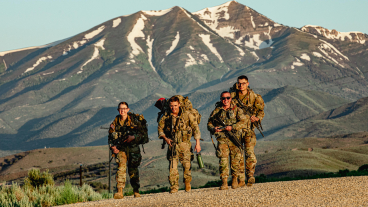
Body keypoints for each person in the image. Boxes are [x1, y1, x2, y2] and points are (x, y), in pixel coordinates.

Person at [158, 96, 201, 193]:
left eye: (175, 105)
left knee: (187, 166)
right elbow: (160, 129)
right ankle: (174, 187)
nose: (173, 108)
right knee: (172, 167)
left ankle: (187, 183)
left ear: (179, 104)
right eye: (171, 106)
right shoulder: (166, 116)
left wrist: (197, 144)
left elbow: (195, 128)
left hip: (185, 144)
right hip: (172, 144)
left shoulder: (187, 115)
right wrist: (166, 139)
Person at [207, 91, 249, 190]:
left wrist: (233, 127)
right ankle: (224, 182)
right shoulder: (216, 111)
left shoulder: (236, 109)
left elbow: (244, 121)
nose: (225, 100)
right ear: (220, 99)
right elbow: (209, 123)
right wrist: (213, 129)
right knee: (223, 160)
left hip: (234, 138)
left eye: (227, 98)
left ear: (231, 98)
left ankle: (235, 179)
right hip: (222, 139)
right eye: (223, 98)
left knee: (235, 160)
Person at [231, 75, 265, 187]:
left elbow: (261, 111)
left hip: (249, 129)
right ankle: (241, 179)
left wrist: (257, 118)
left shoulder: (254, 97)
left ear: (248, 83)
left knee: (249, 153)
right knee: (238, 155)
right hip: (236, 130)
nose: (241, 85)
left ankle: (250, 175)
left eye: (244, 83)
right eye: (239, 83)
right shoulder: (232, 97)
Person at [108, 102, 148, 199]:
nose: (122, 111)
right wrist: (113, 147)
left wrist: (133, 137)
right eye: (120, 109)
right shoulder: (114, 123)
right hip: (121, 149)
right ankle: (119, 191)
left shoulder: (135, 121)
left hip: (133, 149)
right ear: (118, 110)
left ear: (128, 109)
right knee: (121, 168)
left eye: (124, 108)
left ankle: (136, 190)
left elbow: (144, 136)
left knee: (133, 169)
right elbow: (110, 138)